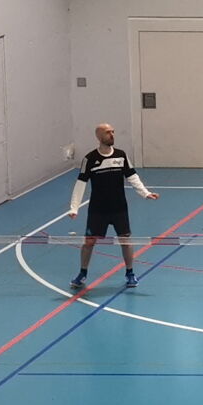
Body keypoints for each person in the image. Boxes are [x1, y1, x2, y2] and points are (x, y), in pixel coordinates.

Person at [69, 122, 157, 292]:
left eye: (113, 132)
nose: (112, 135)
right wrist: (74, 207)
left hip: (119, 208)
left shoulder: (121, 155)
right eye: (108, 132)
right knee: (89, 242)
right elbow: (81, 183)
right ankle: (82, 273)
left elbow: (132, 176)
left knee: (126, 241)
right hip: (98, 210)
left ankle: (130, 273)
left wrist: (145, 193)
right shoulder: (90, 159)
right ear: (99, 136)